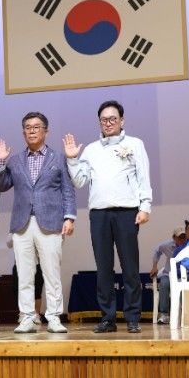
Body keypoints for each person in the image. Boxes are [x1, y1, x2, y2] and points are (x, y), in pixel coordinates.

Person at [64, 100, 152, 333]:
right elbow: (79, 182)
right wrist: (72, 159)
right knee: (103, 268)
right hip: (99, 213)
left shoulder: (135, 144)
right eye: (104, 120)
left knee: (130, 266)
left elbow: (143, 176)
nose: (109, 123)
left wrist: (145, 207)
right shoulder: (91, 149)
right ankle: (107, 317)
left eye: (113, 119)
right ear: (99, 123)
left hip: (127, 211)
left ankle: (132, 317)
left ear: (122, 120)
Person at [0, 111, 76, 334]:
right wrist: (0, 161)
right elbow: (2, 185)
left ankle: (54, 317)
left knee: (51, 273)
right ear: (24, 133)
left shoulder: (58, 158)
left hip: (51, 221)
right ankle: (27, 317)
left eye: (36, 127)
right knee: (24, 274)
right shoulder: (15, 160)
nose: (32, 131)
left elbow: (68, 190)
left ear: (45, 131)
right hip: (22, 224)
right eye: (28, 127)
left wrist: (69, 217)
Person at [150, 227, 187, 324]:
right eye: (180, 237)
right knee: (164, 283)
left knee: (185, 285)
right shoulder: (167, 245)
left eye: (184, 237)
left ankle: (186, 314)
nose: (182, 239)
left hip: (183, 275)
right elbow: (157, 251)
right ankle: (164, 314)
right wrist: (154, 266)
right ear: (174, 237)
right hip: (168, 273)